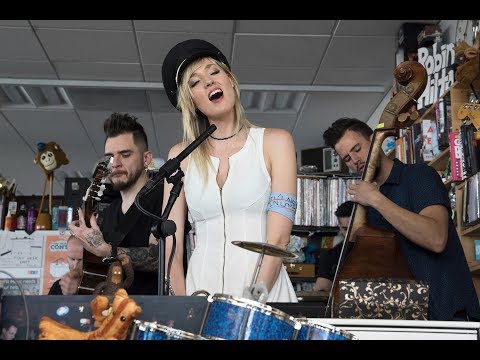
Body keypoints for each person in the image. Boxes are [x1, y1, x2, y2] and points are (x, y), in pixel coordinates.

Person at [160, 39, 298, 302]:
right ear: (191, 101)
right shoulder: (180, 157)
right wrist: (180, 305)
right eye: (195, 82)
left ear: (231, 80)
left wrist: (250, 302)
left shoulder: (276, 142)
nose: (209, 82)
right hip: (200, 297)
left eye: (214, 72)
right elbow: (171, 245)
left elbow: (279, 238)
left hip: (265, 297)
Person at [322, 117, 480, 321]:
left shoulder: (419, 176)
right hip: (407, 320)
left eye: (358, 148)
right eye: (347, 158)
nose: (355, 159)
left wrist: (376, 199)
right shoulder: (365, 208)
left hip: (447, 315)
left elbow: (436, 239)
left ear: (375, 141)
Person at [68, 112, 164, 295]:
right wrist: (75, 276)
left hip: (150, 313)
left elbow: (159, 258)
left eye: (125, 155)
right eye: (110, 157)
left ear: (146, 159)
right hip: (111, 314)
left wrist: (107, 250)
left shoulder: (163, 199)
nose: (116, 163)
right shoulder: (109, 212)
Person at [314, 201, 354, 292]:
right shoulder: (331, 255)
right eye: (345, 229)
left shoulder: (378, 251)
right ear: (339, 226)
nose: (350, 233)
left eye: (354, 228)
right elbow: (322, 288)